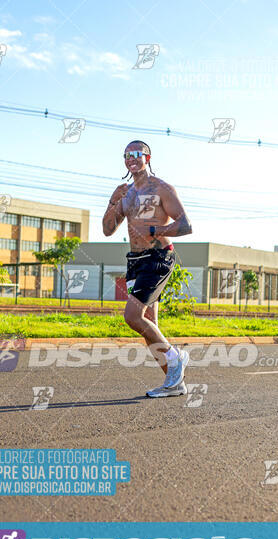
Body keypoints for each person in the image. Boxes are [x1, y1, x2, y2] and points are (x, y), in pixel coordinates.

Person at [102, 140, 193, 397]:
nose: (131, 159)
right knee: (149, 323)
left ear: (147, 157)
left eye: (136, 154)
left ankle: (176, 357)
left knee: (132, 316)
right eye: (126, 155)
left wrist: (157, 230)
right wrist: (112, 201)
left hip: (158, 257)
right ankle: (174, 383)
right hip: (135, 261)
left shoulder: (162, 188)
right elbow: (108, 230)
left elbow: (185, 224)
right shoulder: (126, 193)